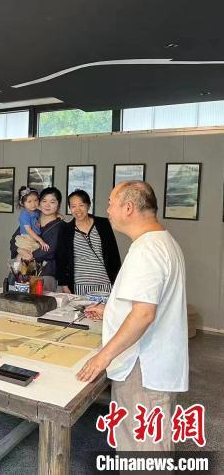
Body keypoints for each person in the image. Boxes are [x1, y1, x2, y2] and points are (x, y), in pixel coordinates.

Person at [77, 182, 188, 452]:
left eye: (111, 203)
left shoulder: (146, 250)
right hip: (152, 363)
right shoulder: (160, 241)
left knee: (143, 451)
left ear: (128, 208)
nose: (107, 210)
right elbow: (147, 303)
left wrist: (102, 357)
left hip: (143, 368)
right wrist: (110, 310)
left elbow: (144, 314)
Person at [57, 190, 121, 295]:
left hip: (105, 283)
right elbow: (61, 259)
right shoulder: (66, 229)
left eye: (81, 205)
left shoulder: (103, 224)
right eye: (73, 206)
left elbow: (113, 254)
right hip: (79, 285)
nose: (77, 209)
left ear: (88, 205)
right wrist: (64, 284)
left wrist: (118, 280)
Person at [10, 187, 66, 292]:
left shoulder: (61, 226)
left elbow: (51, 250)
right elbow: (14, 240)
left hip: (45, 274)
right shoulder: (32, 219)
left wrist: (30, 255)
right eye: (44, 201)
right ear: (39, 203)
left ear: (58, 205)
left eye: (52, 202)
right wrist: (20, 251)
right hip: (23, 272)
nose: (47, 205)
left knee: (41, 300)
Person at [14, 186, 49, 255]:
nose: (33, 204)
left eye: (36, 200)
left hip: (34, 238)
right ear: (22, 203)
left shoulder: (36, 211)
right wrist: (41, 241)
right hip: (27, 238)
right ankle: (18, 259)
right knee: (26, 254)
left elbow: (46, 211)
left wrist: (57, 215)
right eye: (29, 201)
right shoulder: (24, 215)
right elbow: (29, 230)